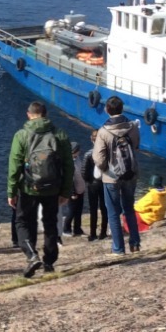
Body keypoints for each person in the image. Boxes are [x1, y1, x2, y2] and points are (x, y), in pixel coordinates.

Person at [8, 101, 73, 277]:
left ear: (28, 114)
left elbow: (14, 166)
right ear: (46, 115)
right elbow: (68, 165)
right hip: (53, 188)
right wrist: (66, 191)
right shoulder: (59, 134)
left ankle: (31, 254)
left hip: (29, 187)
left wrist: (11, 191)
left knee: (23, 222)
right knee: (50, 223)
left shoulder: (21, 135)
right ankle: (49, 262)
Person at [93, 97, 143, 255]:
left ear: (107, 110)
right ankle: (135, 243)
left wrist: (105, 168)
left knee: (113, 212)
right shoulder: (133, 127)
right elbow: (136, 146)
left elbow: (99, 158)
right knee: (129, 208)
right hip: (130, 173)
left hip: (111, 177)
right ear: (122, 108)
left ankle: (118, 249)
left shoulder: (103, 132)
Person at [82, 130, 108, 241]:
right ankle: (103, 232)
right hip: (105, 182)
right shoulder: (107, 152)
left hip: (92, 184)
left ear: (91, 139)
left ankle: (93, 234)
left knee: (93, 209)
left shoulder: (88, 154)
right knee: (104, 208)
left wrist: (88, 181)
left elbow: (84, 170)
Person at [60, 142, 87, 237]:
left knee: (79, 210)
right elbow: (69, 179)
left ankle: (77, 229)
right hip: (73, 191)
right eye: (78, 150)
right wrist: (72, 192)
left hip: (81, 189)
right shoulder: (68, 162)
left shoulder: (78, 159)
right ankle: (66, 229)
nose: (79, 151)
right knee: (71, 211)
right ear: (74, 151)